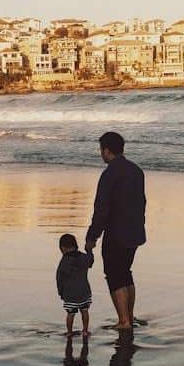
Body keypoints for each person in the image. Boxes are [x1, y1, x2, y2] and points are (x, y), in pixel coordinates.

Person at [85, 132, 146, 331]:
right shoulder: (136, 170)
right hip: (135, 231)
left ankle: (124, 321)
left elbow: (101, 208)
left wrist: (92, 237)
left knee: (114, 274)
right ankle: (130, 316)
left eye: (101, 149)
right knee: (125, 273)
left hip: (117, 232)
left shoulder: (110, 174)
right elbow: (142, 202)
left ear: (106, 150)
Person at [56, 233, 94, 336]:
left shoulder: (64, 261)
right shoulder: (83, 257)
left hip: (70, 294)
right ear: (75, 245)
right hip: (84, 292)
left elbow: (60, 278)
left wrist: (61, 292)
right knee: (85, 311)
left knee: (70, 314)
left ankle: (69, 332)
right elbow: (90, 262)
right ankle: (85, 331)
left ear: (62, 248)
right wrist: (89, 250)